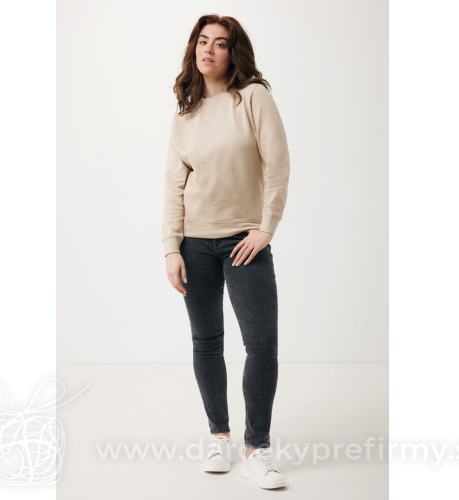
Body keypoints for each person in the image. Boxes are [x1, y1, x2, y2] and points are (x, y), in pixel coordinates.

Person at [161, 14, 290, 490]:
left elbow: (278, 164)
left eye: (219, 43)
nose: (208, 50)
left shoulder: (253, 97)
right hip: (194, 244)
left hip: (244, 241)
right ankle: (219, 437)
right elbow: (174, 186)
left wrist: (266, 227)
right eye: (202, 41)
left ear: (233, 52)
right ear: (193, 49)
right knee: (206, 342)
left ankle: (258, 449)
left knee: (261, 344)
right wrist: (171, 247)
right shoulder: (185, 114)